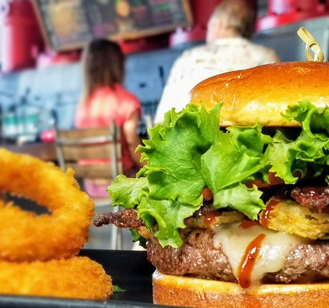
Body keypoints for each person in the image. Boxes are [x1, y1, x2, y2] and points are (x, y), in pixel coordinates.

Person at [153, 0, 280, 124]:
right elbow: (276, 114)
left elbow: (162, 120)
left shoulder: (187, 59)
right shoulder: (267, 57)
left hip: (187, 141)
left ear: (217, 24)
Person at [75, 39, 142, 197]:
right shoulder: (126, 101)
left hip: (91, 186)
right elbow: (133, 145)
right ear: (118, 64)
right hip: (122, 184)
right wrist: (154, 167)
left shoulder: (83, 105)